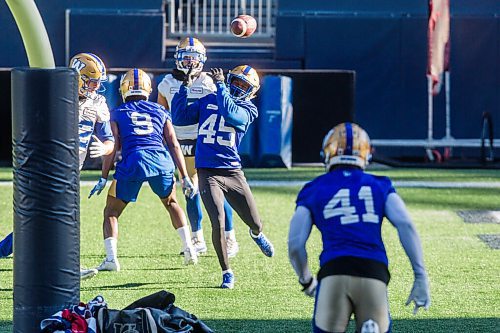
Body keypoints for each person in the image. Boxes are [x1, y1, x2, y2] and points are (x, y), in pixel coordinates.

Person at [287, 122, 431, 333]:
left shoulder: (314, 188)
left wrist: (306, 280)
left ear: (327, 153)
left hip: (334, 270)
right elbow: (405, 224)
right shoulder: (380, 185)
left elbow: (295, 245)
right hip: (373, 271)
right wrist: (420, 276)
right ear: (366, 154)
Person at [171, 65, 274, 289]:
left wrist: (220, 87)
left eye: (243, 85)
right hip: (207, 171)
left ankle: (256, 234)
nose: (237, 88)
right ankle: (226, 272)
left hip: (232, 172)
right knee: (217, 220)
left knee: (255, 222)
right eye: (235, 82)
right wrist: (184, 86)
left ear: (252, 92)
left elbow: (229, 113)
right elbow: (179, 118)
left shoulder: (248, 109)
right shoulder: (210, 98)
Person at [90, 68, 198, 272]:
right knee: (171, 203)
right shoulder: (159, 110)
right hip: (161, 161)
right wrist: (184, 176)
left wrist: (104, 176)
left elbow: (112, 147)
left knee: (111, 212)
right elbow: (174, 144)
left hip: (134, 162)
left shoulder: (118, 113)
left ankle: (112, 259)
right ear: (149, 88)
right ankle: (189, 248)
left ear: (123, 88)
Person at [157, 37, 239, 257]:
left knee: (215, 191)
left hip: (204, 140)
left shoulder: (209, 81)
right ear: (178, 58)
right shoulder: (167, 83)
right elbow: (160, 115)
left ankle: (230, 236)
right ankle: (197, 236)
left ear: (202, 60)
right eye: (187, 58)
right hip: (180, 143)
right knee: (190, 191)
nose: (191, 63)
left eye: (195, 58)